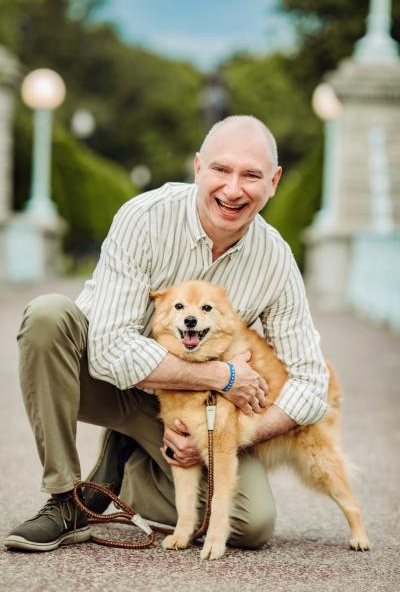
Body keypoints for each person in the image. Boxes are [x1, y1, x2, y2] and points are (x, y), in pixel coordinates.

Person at [4, 115, 328, 552]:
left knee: (250, 525)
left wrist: (225, 436)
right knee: (47, 317)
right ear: (198, 168)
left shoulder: (276, 261)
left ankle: (127, 467)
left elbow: (311, 382)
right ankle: (66, 499)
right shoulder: (145, 217)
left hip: (190, 412)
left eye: (251, 175)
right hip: (104, 381)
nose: (233, 190)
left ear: (273, 181)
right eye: (221, 170)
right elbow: (109, 352)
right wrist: (222, 378)